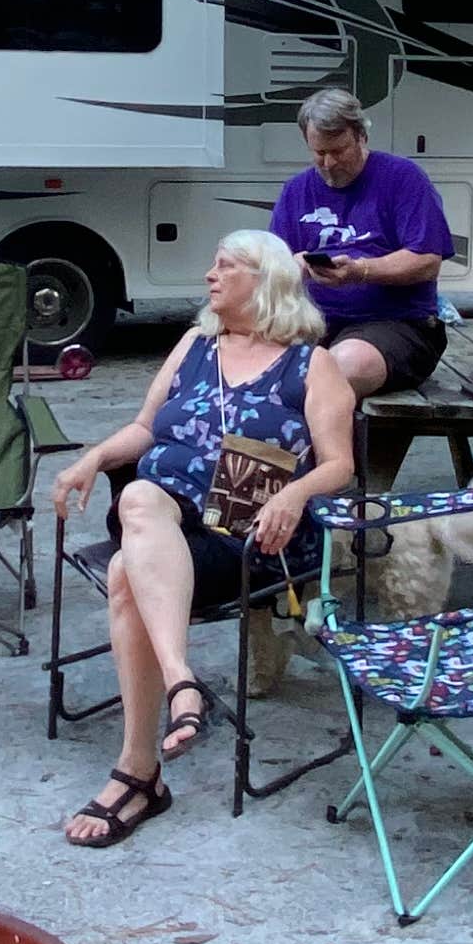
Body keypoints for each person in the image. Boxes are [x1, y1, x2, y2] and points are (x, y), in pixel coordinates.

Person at [45, 231, 358, 848]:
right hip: (160, 515)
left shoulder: (311, 364)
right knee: (136, 494)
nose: (210, 274)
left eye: (226, 265)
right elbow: (143, 428)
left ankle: (139, 774)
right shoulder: (194, 345)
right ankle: (181, 682)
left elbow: (338, 464)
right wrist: (93, 458)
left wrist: (294, 494)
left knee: (123, 577)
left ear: (265, 280)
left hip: (247, 539)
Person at [270, 87, 455, 398]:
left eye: (338, 151)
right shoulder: (296, 189)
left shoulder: (403, 178)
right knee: (247, 358)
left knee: (340, 367)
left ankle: (327, 448)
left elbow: (426, 261)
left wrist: (360, 271)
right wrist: (296, 265)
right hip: (315, 321)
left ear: (361, 136)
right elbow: (272, 263)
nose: (328, 163)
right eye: (319, 153)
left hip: (398, 324)